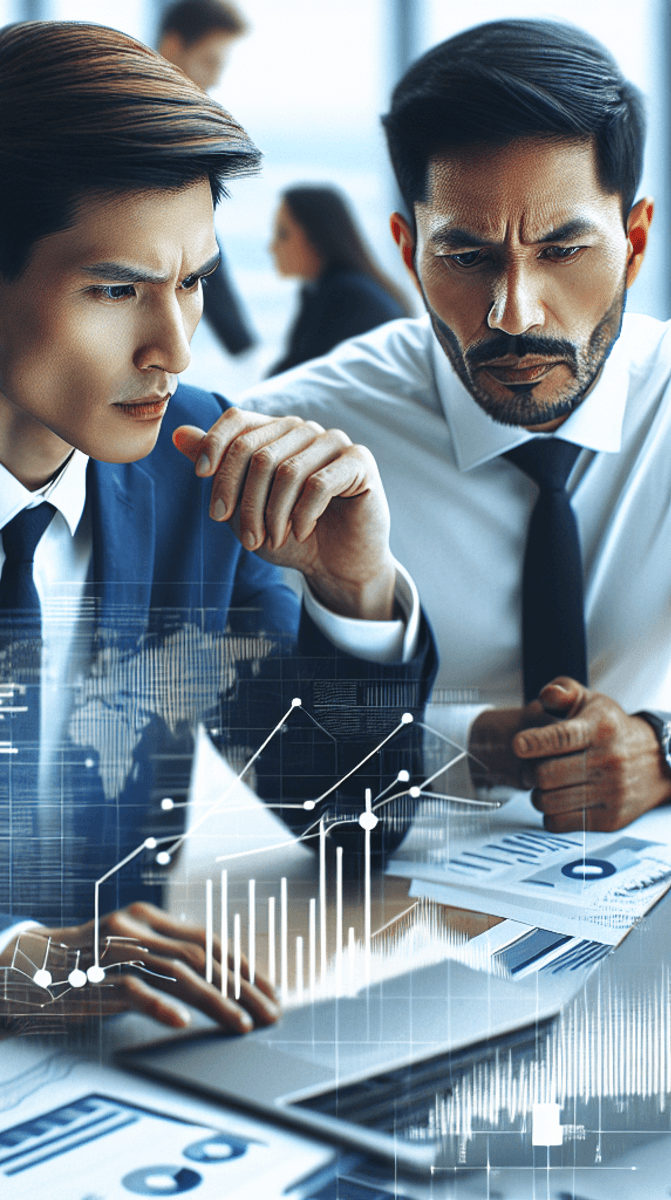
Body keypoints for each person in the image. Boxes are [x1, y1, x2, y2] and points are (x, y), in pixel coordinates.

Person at [0, 22, 435, 1041]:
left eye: (192, 283)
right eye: (117, 290)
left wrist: (353, 594)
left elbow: (344, 831)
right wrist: (3, 962)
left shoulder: (198, 465)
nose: (171, 347)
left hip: (117, 1063)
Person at [195, 19, 671, 834]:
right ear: (407, 250)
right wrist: (470, 745)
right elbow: (257, 747)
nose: (513, 313)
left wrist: (663, 750)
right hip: (397, 915)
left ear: (632, 244)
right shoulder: (294, 437)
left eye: (562, 251)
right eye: (466, 257)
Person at [155, 0, 257, 357]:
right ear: (173, 46)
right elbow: (197, 237)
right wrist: (241, 342)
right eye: (210, 61)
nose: (216, 78)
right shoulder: (165, 124)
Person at [267, 185, 409, 375]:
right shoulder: (325, 290)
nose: (272, 247)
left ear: (315, 236)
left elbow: (301, 375)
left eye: (282, 234)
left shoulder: (346, 295)